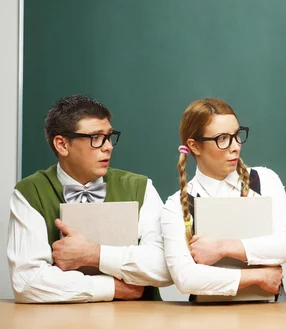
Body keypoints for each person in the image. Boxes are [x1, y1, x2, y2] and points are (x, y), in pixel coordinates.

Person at [7, 94, 172, 303]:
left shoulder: (140, 187)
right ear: (62, 145)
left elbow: (165, 267)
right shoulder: (30, 192)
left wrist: (93, 254)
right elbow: (27, 281)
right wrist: (113, 287)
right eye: (96, 138)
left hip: (139, 321)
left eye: (109, 136)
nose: (108, 146)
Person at [161, 98, 286, 299]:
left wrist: (221, 248)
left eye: (236, 135)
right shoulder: (177, 205)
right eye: (223, 139)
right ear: (195, 146)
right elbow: (186, 278)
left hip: (271, 310)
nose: (235, 147)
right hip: (206, 316)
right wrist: (257, 276)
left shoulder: (263, 181)